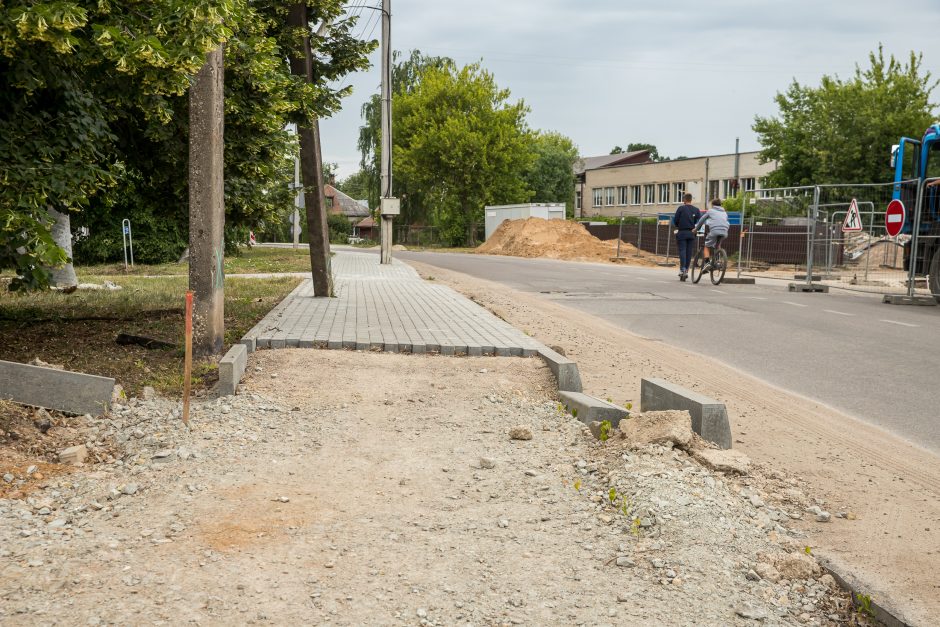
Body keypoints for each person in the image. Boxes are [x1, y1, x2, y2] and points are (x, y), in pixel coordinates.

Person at [695, 198, 730, 270]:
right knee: (717, 245)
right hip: (724, 231)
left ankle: (707, 263)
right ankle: (717, 262)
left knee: (706, 246)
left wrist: (696, 229)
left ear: (713, 205)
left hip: (715, 231)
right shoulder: (724, 212)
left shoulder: (710, 211)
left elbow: (702, 220)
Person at [672, 193, 700, 281]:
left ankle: (682, 269)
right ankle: (686, 270)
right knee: (689, 252)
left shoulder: (681, 208)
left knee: (682, 251)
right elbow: (697, 220)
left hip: (682, 232)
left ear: (684, 200)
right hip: (691, 233)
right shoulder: (696, 209)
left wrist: (678, 225)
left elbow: (675, 220)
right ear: (691, 200)